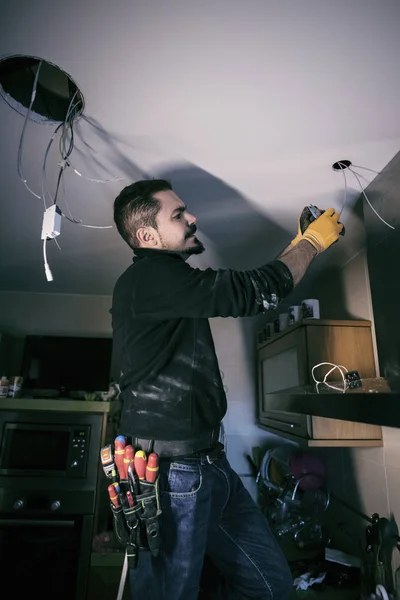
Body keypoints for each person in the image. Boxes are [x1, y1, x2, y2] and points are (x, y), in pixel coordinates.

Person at [110, 179, 344, 600]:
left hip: (208, 463)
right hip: (171, 474)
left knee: (270, 585)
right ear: (147, 236)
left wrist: (298, 246)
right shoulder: (148, 277)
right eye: (178, 214)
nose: (193, 218)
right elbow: (250, 292)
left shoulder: (168, 284)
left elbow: (253, 287)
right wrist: (310, 244)